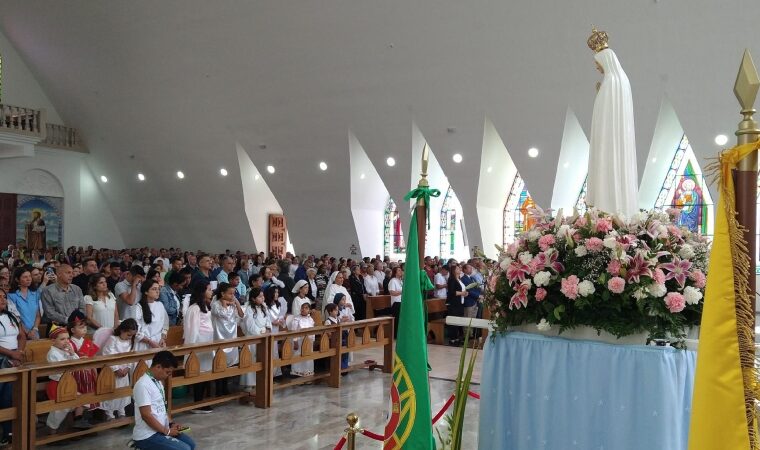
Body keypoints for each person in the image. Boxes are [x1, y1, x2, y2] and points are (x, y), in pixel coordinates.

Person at [585, 31, 638, 217]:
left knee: (608, 168)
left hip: (609, 142)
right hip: (617, 140)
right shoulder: (621, 81)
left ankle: (608, 211)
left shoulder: (610, 82)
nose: (597, 68)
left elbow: (605, 117)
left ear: (605, 61)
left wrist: (600, 95)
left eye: (597, 64)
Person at [131, 350, 195, 450]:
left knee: (191, 445)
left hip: (161, 429)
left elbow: (162, 409)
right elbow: (146, 415)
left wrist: (171, 423)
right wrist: (167, 432)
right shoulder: (143, 385)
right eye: (167, 372)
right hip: (147, 435)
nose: (169, 375)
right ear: (158, 367)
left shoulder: (158, 382)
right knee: (184, 449)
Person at [46, 325, 92, 432]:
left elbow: (77, 364)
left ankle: (78, 420)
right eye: (62, 339)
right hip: (57, 385)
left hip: (68, 384)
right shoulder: (52, 353)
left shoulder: (66, 350)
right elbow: (60, 370)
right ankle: (51, 432)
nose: (66, 341)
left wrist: (72, 353)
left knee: (83, 400)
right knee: (59, 410)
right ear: (53, 340)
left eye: (67, 338)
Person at [183, 280, 214, 414]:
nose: (211, 292)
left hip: (207, 342)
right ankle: (198, 402)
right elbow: (192, 330)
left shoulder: (206, 306)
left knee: (206, 372)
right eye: (209, 289)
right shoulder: (194, 308)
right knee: (199, 373)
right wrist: (192, 349)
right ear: (202, 291)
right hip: (198, 344)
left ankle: (204, 401)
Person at [100, 319, 138, 420]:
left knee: (122, 393)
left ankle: (122, 412)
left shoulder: (130, 341)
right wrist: (116, 369)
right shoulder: (113, 339)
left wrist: (127, 368)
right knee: (111, 392)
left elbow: (131, 356)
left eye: (132, 335)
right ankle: (110, 414)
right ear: (122, 330)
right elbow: (108, 354)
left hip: (124, 372)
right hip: (112, 372)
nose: (130, 337)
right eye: (129, 334)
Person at [0, 288, 24, 446]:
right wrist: (11, 354)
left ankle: (10, 431)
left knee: (12, 397)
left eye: (3, 297)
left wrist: (19, 352)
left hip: (15, 358)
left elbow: (22, 335)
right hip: (2, 359)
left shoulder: (11, 316)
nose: (2, 299)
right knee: (3, 396)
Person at [210, 283, 243, 395]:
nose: (232, 296)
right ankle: (219, 389)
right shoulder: (216, 305)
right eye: (230, 293)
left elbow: (241, 315)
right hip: (220, 337)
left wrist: (236, 303)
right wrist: (224, 303)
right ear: (222, 293)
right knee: (219, 362)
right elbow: (224, 315)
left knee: (229, 364)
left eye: (234, 294)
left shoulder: (232, 304)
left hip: (231, 338)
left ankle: (225, 388)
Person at [67, 311, 100, 413]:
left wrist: (95, 373)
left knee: (90, 394)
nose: (85, 329)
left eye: (85, 327)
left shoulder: (87, 342)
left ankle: (87, 415)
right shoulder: (70, 343)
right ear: (72, 330)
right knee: (81, 397)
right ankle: (79, 417)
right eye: (81, 327)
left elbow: (93, 358)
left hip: (89, 372)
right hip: (77, 374)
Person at [239, 288, 270, 392]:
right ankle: (249, 384)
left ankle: (260, 381)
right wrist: (261, 333)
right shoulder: (249, 309)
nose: (262, 298)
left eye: (263, 296)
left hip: (263, 336)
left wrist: (267, 329)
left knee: (261, 359)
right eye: (260, 296)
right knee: (252, 360)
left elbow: (268, 320)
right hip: (253, 338)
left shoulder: (264, 307)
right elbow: (250, 326)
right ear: (253, 298)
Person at [40, 264, 87, 331]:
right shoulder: (48, 291)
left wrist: (77, 320)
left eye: (72, 273)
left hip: (77, 326)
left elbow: (83, 308)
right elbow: (50, 312)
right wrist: (68, 320)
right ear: (59, 274)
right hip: (57, 328)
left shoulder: (77, 289)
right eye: (68, 273)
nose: (71, 275)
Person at [134, 280, 169, 352]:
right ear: (146, 292)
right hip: (143, 344)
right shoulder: (138, 307)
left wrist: (163, 338)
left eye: (158, 289)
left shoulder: (160, 305)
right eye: (154, 289)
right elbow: (135, 330)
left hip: (158, 342)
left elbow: (165, 324)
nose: (157, 291)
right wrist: (150, 342)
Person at [8, 267, 42, 340]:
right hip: (19, 333)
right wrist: (27, 332)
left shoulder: (35, 293)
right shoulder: (11, 296)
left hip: (34, 332)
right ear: (17, 279)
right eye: (25, 277)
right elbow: (14, 317)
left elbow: (38, 315)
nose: (29, 279)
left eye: (29, 276)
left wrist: (34, 329)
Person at [446, 264, 468, 346]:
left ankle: (457, 337)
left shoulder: (459, 279)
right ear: (453, 271)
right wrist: (462, 293)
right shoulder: (451, 279)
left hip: (460, 303)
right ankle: (452, 339)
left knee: (458, 321)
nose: (459, 269)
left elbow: (461, 290)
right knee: (453, 321)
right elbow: (451, 292)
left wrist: (465, 293)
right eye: (458, 268)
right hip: (453, 303)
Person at [290, 302, 315, 377]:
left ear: (309, 310)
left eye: (306, 308)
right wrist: (295, 341)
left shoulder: (310, 319)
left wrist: (312, 341)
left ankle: (307, 373)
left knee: (308, 357)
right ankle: (298, 373)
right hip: (299, 342)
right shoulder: (296, 319)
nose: (303, 309)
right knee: (298, 356)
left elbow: (313, 331)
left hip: (308, 342)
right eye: (302, 308)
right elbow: (293, 332)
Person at [388, 267, 404, 337]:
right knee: (397, 320)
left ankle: (401, 334)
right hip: (396, 303)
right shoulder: (393, 281)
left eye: (401, 270)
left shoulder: (401, 281)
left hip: (402, 302)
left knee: (402, 319)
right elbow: (392, 293)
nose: (401, 271)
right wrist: (402, 292)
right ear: (395, 272)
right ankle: (395, 335)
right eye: (399, 270)